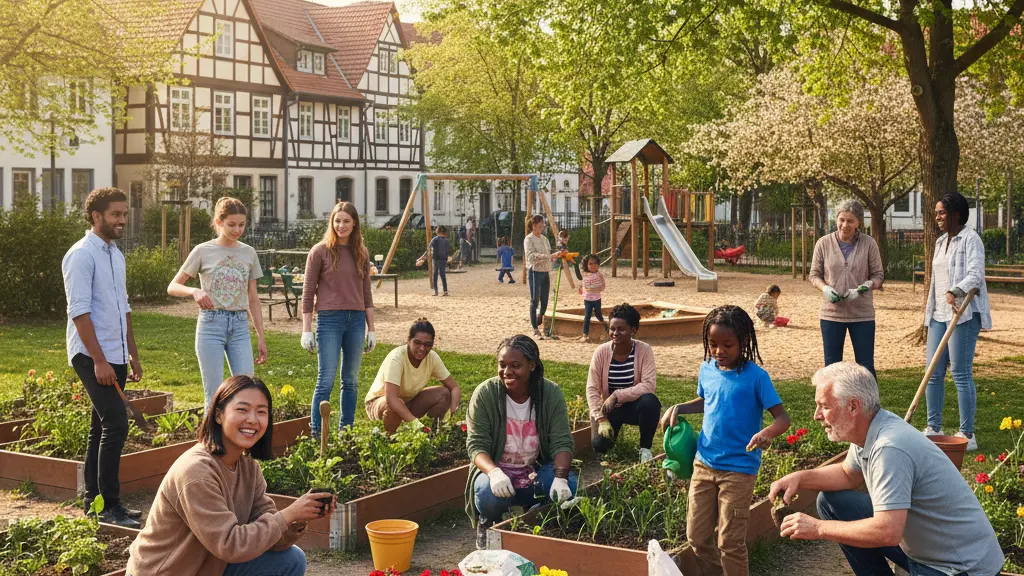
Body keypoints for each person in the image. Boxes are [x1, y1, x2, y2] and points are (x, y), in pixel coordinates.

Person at [771, 362, 1004, 576]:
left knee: (853, 520)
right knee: (831, 502)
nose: (816, 416)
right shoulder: (872, 427)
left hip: (959, 568)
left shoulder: (889, 448)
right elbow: (847, 474)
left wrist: (819, 528)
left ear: (853, 406)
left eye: (824, 406)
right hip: (927, 550)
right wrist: (799, 478)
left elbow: (887, 533)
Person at [126, 375, 334, 576]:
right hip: (167, 572)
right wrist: (287, 514)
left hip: (210, 567)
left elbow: (269, 537)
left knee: (290, 560)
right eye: (242, 409)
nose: (252, 420)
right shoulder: (196, 472)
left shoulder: (248, 468)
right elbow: (231, 544)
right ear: (218, 415)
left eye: (261, 412)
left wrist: (298, 518)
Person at [659, 305, 790, 576]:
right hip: (704, 464)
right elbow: (706, 402)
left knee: (730, 541)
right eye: (713, 344)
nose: (719, 351)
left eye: (727, 344)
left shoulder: (756, 377)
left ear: (743, 342)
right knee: (696, 536)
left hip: (739, 470)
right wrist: (680, 407)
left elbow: (782, 419)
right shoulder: (707, 369)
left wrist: (766, 433)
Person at [62, 187, 144, 528]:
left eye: (125, 214)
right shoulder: (81, 255)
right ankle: (110, 505)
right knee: (116, 424)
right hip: (90, 354)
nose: (122, 220)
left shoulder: (115, 255)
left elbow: (123, 307)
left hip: (116, 353)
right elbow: (79, 312)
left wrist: (132, 355)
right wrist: (99, 361)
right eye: (116, 214)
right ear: (97, 216)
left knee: (100, 428)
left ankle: (92, 502)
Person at [465, 335, 578, 549]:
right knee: (486, 493)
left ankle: (532, 514)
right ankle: (488, 522)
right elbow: (476, 446)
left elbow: (562, 441)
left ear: (532, 366)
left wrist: (561, 478)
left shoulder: (549, 393)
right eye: (502, 365)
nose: (507, 372)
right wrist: (494, 473)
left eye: (515, 365)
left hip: (533, 472)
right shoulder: (486, 394)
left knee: (570, 485)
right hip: (497, 475)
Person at [168, 197, 266, 410]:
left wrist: (260, 336)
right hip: (211, 325)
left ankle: (240, 442)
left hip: (240, 326)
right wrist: (194, 290)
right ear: (218, 222)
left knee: (246, 391)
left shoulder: (249, 253)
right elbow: (173, 286)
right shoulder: (203, 251)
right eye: (232, 224)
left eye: (241, 224)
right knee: (213, 395)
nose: (237, 229)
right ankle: (211, 443)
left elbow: (253, 298)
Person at [300, 201, 376, 436]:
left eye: (346, 221)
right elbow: (308, 291)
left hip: (355, 320)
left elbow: (366, 293)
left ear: (354, 224)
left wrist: (371, 328)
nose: (341, 225)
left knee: (351, 380)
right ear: (331, 223)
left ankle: (347, 431)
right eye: (337, 221)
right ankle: (316, 433)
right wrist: (306, 329)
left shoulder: (361, 253)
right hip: (329, 320)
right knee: (326, 379)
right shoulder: (320, 251)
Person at [922, 191, 991, 450]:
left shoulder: (971, 239)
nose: (937, 217)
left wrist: (955, 291)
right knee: (933, 372)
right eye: (937, 212)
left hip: (962, 314)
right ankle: (933, 428)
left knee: (960, 373)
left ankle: (967, 434)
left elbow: (975, 275)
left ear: (956, 214)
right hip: (938, 315)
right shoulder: (941, 242)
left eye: (942, 212)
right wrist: (932, 309)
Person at [809, 200, 884, 379]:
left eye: (850, 221)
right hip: (831, 314)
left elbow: (878, 276)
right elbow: (814, 275)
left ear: (859, 222)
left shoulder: (869, 244)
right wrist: (825, 288)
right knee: (832, 367)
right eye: (841, 220)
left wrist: (862, 288)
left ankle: (870, 405)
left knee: (866, 367)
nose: (845, 225)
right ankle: (832, 406)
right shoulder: (823, 243)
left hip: (862, 314)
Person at [586, 304, 660, 461]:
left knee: (650, 401)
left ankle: (645, 449)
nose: (615, 333)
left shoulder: (644, 350)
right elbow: (592, 389)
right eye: (612, 329)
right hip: (608, 409)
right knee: (599, 445)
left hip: (633, 407)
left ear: (633, 330)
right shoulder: (601, 352)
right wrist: (601, 418)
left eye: (621, 329)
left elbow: (648, 385)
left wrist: (617, 395)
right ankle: (610, 432)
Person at [365, 318, 461, 434]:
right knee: (395, 405)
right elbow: (391, 399)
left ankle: (434, 431)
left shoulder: (432, 358)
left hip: (408, 401)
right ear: (409, 340)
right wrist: (416, 424)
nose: (422, 348)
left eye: (427, 344)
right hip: (380, 403)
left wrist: (451, 414)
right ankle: (390, 438)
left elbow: (454, 388)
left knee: (444, 394)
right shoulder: (396, 358)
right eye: (417, 342)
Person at [524, 215, 567, 340]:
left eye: (543, 224)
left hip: (545, 272)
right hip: (534, 271)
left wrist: (557, 256)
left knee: (544, 300)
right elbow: (531, 256)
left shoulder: (544, 239)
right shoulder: (529, 239)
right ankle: (535, 329)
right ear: (534, 225)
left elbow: (549, 256)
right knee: (534, 300)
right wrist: (549, 256)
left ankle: (540, 319)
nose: (542, 226)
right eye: (540, 224)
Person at [578, 254, 607, 341]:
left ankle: (606, 329)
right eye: (590, 264)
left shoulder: (599, 274)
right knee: (587, 316)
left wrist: (599, 289)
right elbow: (581, 285)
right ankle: (585, 334)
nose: (593, 265)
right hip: (587, 300)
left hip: (597, 299)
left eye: (595, 263)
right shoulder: (584, 275)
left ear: (598, 264)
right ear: (586, 265)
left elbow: (603, 284)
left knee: (599, 315)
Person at [419, 226, 451, 296]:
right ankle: (445, 291)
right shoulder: (447, 240)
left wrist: (422, 258)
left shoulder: (435, 239)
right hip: (443, 259)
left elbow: (428, 249)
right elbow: (447, 251)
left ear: (438, 231)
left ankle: (436, 291)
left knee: (435, 274)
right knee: (443, 275)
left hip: (435, 258)